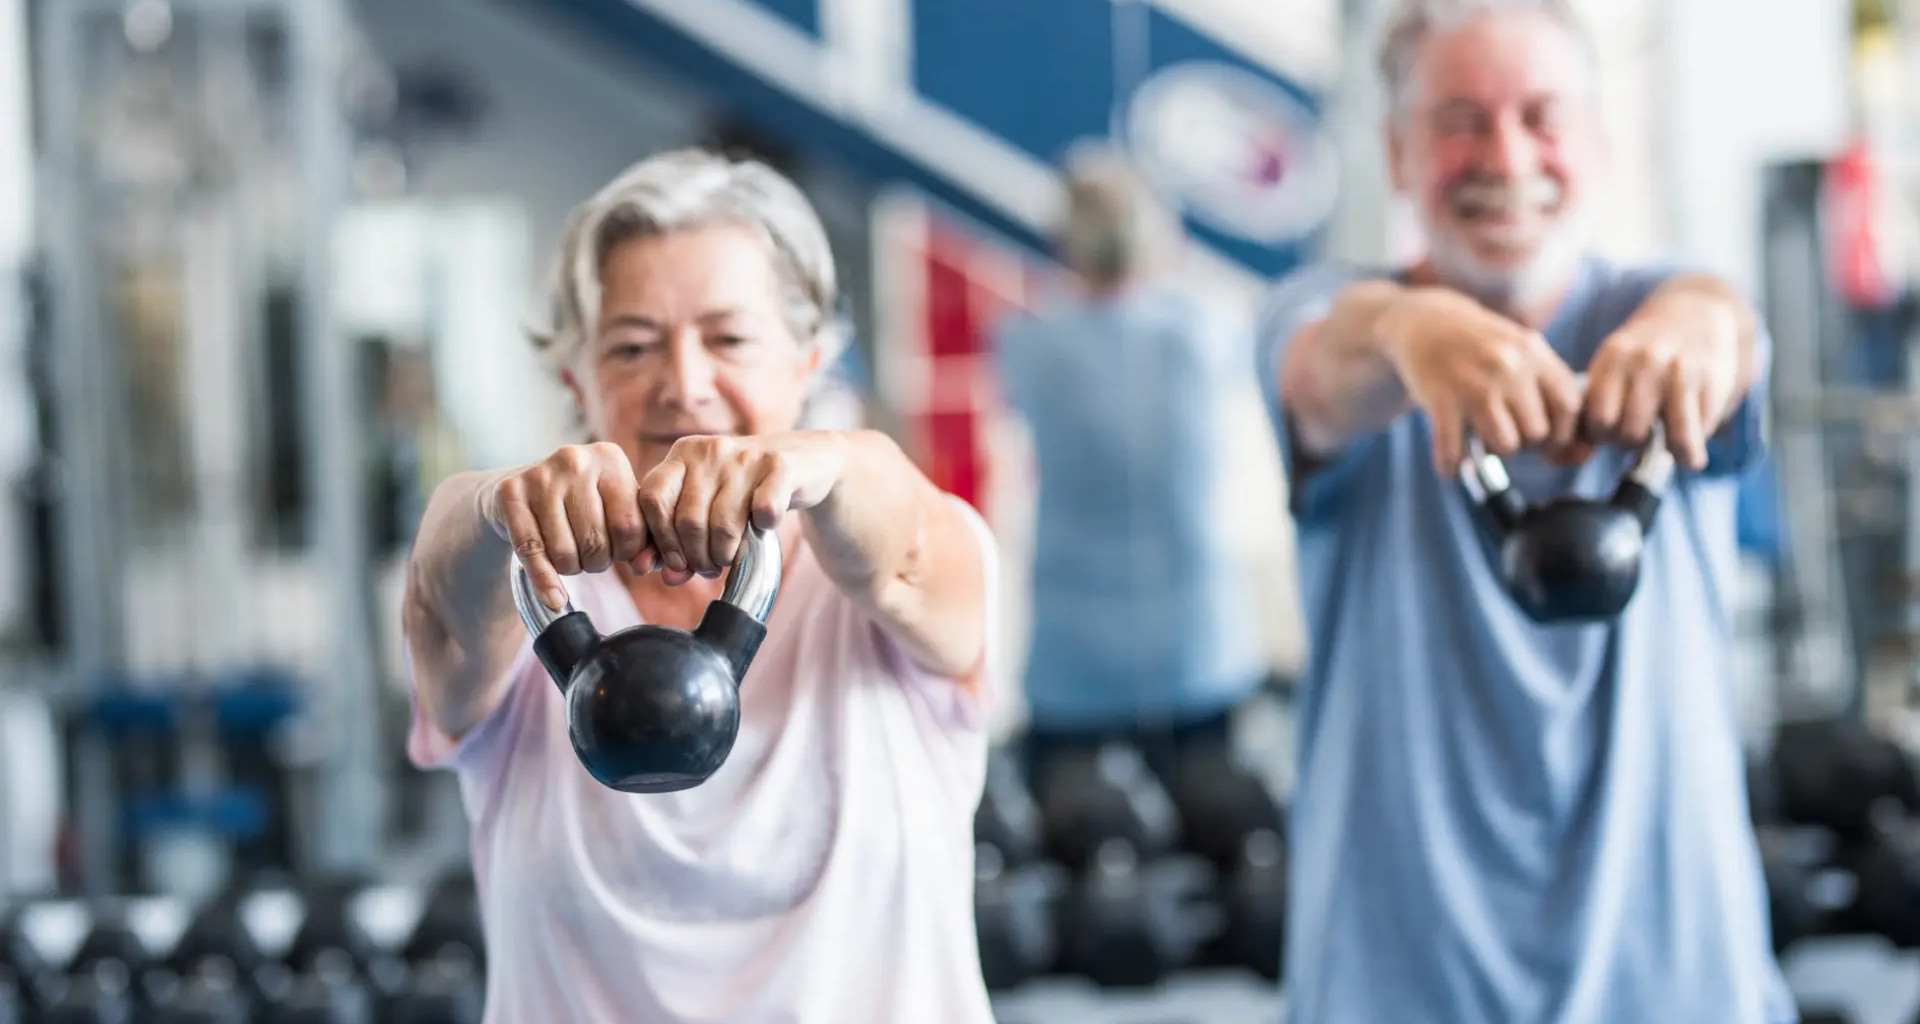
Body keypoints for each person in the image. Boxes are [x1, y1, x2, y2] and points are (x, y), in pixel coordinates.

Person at [1257, 3, 1789, 1023]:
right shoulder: (1325, 316)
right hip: (1393, 983)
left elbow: (1722, 326)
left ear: (1596, 142)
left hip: (1678, 981)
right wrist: (1413, 329)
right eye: (1459, 120)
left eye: (1542, 116)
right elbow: (1326, 367)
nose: (1505, 155)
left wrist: (1691, 329)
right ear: (1398, 153)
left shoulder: (1667, 301)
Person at [399, 148, 1000, 1024]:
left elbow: (905, 546)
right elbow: (442, 591)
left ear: (809, 363)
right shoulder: (522, 590)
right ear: (578, 379)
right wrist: (495, 503)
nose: (683, 384)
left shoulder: (893, 573)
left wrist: (817, 460)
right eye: (634, 346)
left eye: (729, 339)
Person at [992, 145, 1266, 785]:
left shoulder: (1026, 344)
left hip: (1073, 657)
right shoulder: (1210, 335)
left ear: (1067, 243)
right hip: (1199, 651)